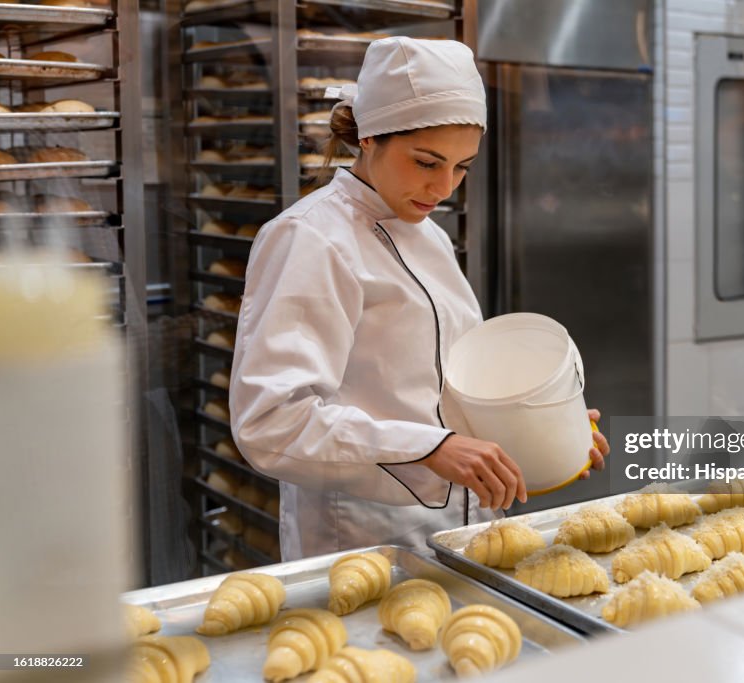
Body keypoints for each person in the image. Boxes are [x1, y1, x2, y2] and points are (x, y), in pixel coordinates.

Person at [230, 36, 609, 561]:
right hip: (366, 544)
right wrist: (426, 449)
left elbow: (435, 392)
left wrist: (542, 431)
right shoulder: (310, 238)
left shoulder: (426, 232)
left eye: (462, 166)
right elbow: (270, 422)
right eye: (427, 162)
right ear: (368, 139)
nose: (445, 187)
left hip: (470, 531)